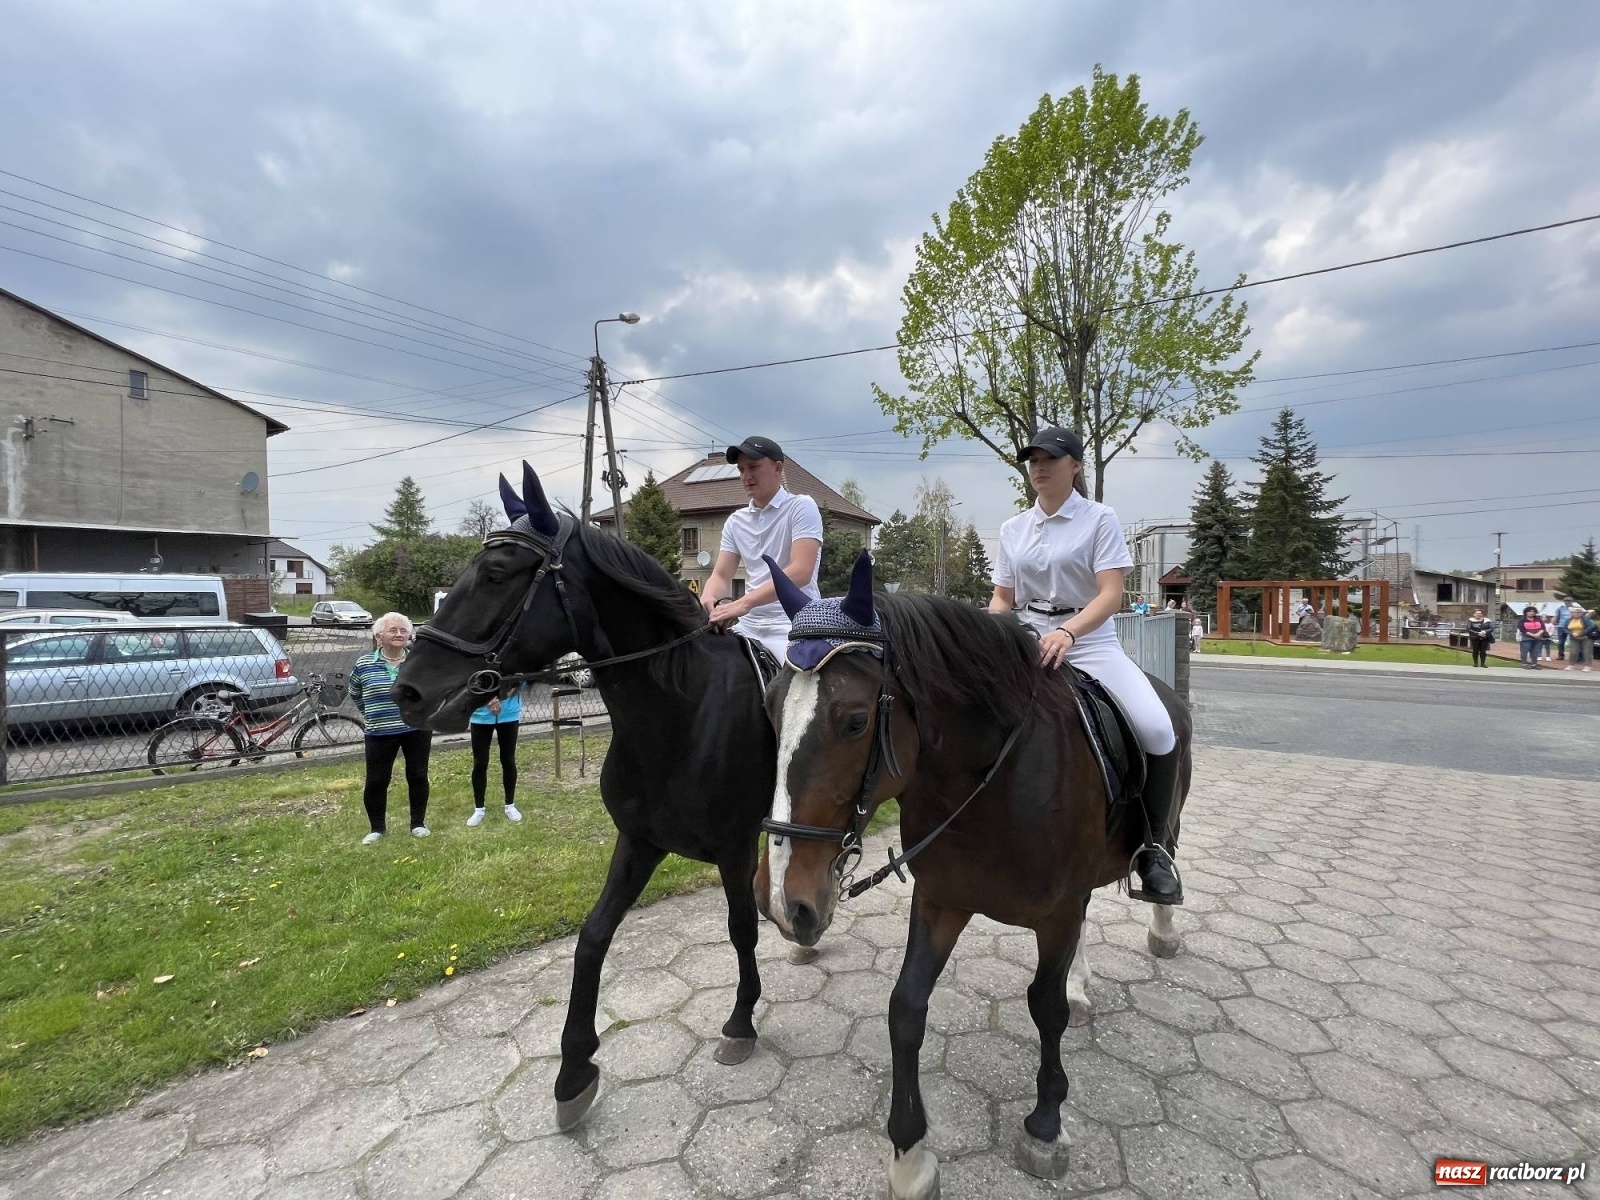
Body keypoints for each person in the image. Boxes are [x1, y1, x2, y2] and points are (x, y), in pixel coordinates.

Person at [989, 426, 1182, 905]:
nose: (1038, 467)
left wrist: (1070, 631)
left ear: (1075, 465)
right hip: (1027, 641)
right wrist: (993, 634)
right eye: (1032, 459)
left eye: (1050, 459)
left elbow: (1111, 593)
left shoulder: (1099, 519)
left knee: (1158, 729)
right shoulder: (1014, 528)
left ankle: (1154, 850)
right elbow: (1002, 597)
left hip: (1090, 643)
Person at [700, 436, 824, 661]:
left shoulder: (801, 507)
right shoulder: (735, 521)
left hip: (794, 622)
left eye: (754, 467)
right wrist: (708, 597)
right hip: (748, 625)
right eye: (741, 469)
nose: (746, 476)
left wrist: (742, 604)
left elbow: (801, 572)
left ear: (778, 468)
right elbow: (720, 575)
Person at [349, 612, 433, 844]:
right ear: (379, 637)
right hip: (378, 732)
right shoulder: (364, 663)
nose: (399, 634)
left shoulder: (418, 661)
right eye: (393, 630)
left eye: (403, 630)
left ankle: (418, 824)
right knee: (376, 781)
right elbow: (355, 692)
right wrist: (372, 714)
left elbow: (430, 691)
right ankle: (377, 829)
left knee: (417, 776)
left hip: (416, 729)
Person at [467, 690, 524, 826]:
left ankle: (510, 805)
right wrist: (489, 699)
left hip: (509, 713)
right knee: (480, 763)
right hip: (480, 714)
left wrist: (500, 697)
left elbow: (519, 678)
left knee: (508, 760)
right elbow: (469, 679)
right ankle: (479, 809)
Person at [1564, 602, 1595, 673]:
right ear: (1571, 613)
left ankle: (1588, 666)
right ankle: (1571, 665)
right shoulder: (1568, 620)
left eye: (1579, 612)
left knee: (1587, 651)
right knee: (1573, 651)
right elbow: (1565, 628)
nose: (1577, 613)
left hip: (1586, 637)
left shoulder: (1585, 619)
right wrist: (1571, 633)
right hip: (1574, 637)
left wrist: (1581, 633)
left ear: (1582, 613)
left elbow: (1590, 627)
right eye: (1575, 612)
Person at [1516, 605, 1548, 670]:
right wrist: (1532, 635)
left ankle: (1534, 664)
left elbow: (1543, 627)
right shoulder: (1522, 621)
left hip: (1538, 638)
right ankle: (1524, 664)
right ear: (1526, 612)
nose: (1531, 613)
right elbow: (1522, 629)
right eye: (1529, 611)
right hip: (1527, 638)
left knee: (1535, 651)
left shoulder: (1538, 620)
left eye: (1533, 611)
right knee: (1525, 651)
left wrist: (1538, 634)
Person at [1555, 597, 1572, 661]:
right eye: (1566, 601)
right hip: (1561, 626)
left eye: (1569, 601)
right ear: (1564, 601)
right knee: (1561, 642)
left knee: (1574, 642)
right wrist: (1555, 621)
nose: (1567, 602)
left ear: (1571, 601)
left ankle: (1575, 656)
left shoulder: (1574, 608)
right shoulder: (1560, 608)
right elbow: (1557, 616)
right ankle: (1560, 655)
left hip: (1571, 626)